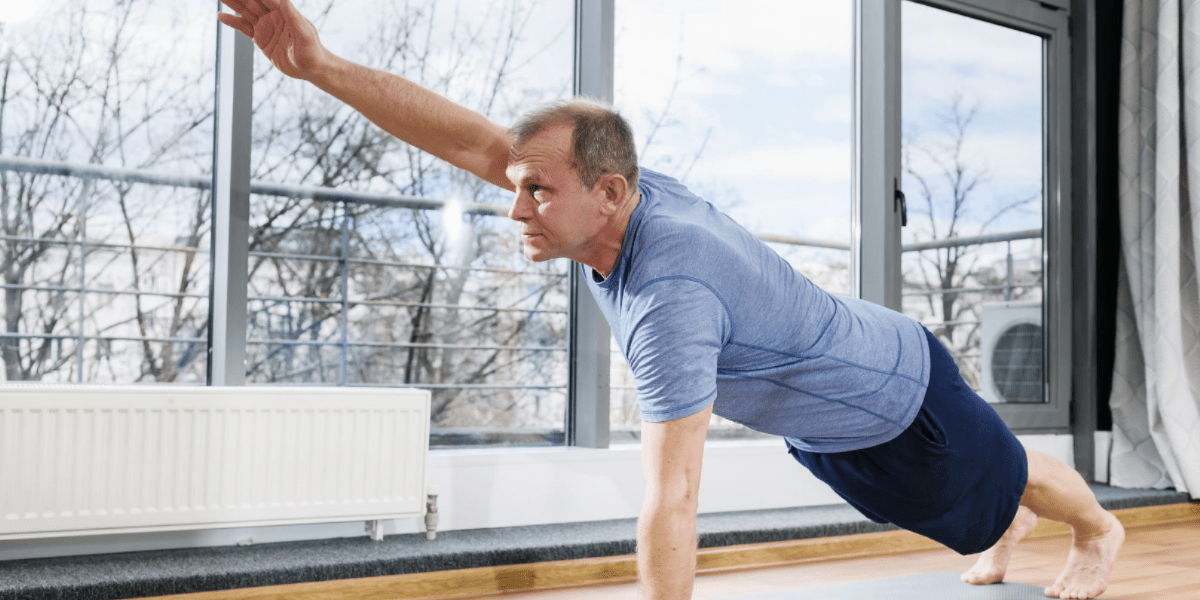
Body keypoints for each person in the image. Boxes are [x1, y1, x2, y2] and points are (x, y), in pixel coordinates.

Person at [216, 1, 1126, 598]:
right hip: (827, 417)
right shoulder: (623, 185)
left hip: (894, 394)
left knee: (1008, 473)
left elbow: (673, 497)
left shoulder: (669, 300)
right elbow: (471, 141)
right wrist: (320, 66)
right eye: (519, 187)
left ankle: (1095, 531)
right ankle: (997, 523)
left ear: (606, 195)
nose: (514, 204)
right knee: (949, 513)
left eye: (537, 192)